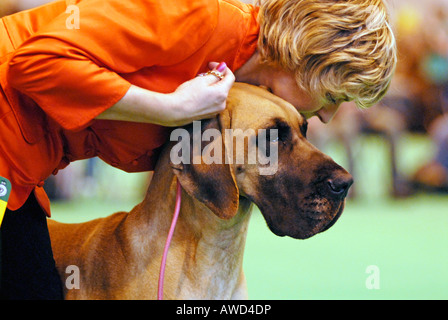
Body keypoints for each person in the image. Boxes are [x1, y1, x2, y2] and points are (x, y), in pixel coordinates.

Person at [0, 0, 396, 299]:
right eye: (331, 95)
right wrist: (170, 108)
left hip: (20, 170)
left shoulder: (234, 96)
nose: (328, 116)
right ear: (306, 54)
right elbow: (32, 62)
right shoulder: (200, 14)